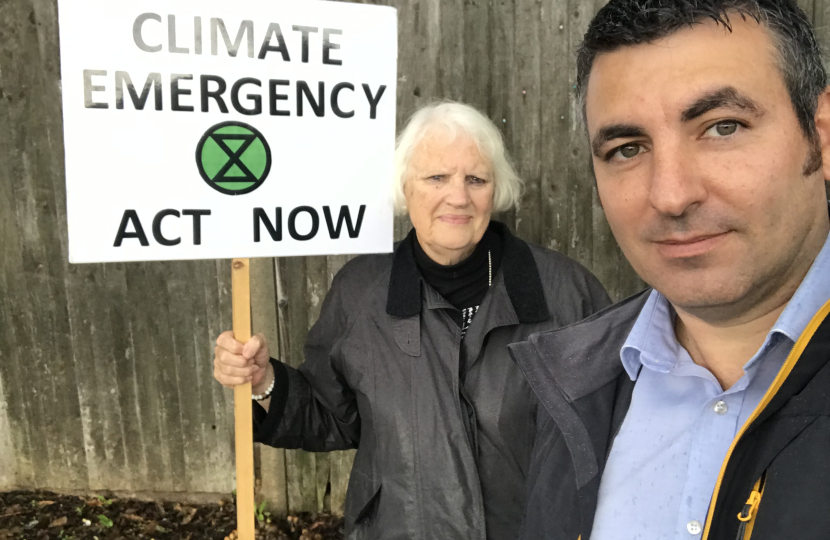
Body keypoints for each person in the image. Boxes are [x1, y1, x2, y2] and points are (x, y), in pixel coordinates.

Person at [213, 102, 610, 540]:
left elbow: (609, 432)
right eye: (436, 177)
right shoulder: (361, 292)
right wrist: (264, 381)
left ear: (495, 190)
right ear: (405, 187)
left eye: (475, 179)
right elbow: (332, 415)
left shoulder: (566, 294)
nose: (458, 196)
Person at [510, 1, 830, 539]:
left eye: (722, 127)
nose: (671, 195)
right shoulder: (571, 388)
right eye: (627, 149)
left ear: (820, 134)